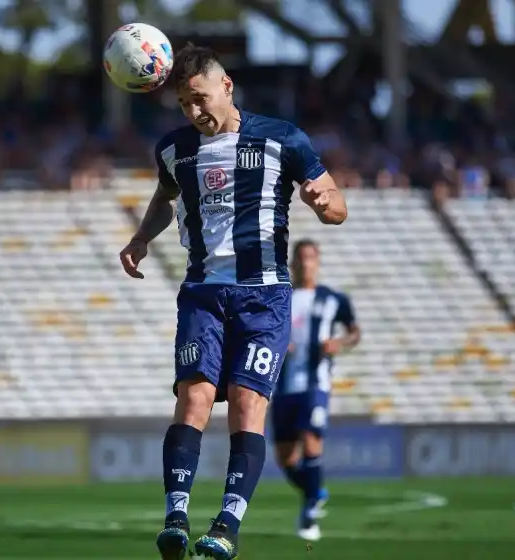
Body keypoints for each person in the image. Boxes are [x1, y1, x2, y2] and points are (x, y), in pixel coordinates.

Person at [118, 44, 347, 560]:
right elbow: (165, 196)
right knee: (193, 399)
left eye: (199, 98)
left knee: (246, 407)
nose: (193, 112)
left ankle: (227, 524)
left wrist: (325, 202)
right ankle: (176, 516)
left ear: (226, 87)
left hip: (263, 297)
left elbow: (337, 206)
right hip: (201, 293)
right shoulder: (175, 149)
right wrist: (140, 238)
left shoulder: (283, 139)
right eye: (182, 104)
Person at [270, 240, 361, 542]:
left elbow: (354, 331)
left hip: (315, 384)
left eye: (310, 257)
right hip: (283, 387)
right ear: (293, 263)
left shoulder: (332, 299)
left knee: (311, 441)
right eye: (300, 258)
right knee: (285, 458)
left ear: (318, 261)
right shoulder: (279, 297)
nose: (305, 263)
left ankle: (308, 513)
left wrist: (339, 343)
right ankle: (314, 489)